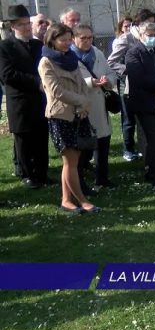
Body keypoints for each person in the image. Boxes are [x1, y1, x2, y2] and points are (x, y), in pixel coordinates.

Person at [38, 23, 100, 214]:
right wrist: (81, 101)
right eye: (62, 40)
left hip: (79, 114)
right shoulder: (46, 62)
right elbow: (56, 91)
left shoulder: (71, 58)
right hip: (61, 115)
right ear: (52, 40)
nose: (67, 43)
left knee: (72, 161)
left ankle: (66, 200)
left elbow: (81, 84)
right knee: (70, 160)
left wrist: (83, 105)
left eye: (68, 39)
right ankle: (82, 200)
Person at [0, 4, 49, 189]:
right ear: (13, 26)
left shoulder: (38, 45)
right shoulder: (5, 47)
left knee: (41, 137)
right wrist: (36, 82)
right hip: (20, 101)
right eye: (22, 24)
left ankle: (42, 173)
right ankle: (27, 174)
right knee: (24, 140)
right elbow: (7, 75)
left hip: (40, 100)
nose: (27, 27)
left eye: (28, 23)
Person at [125, 21, 155, 192]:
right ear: (141, 35)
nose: (152, 38)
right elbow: (138, 77)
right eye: (149, 35)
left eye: (154, 35)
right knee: (152, 140)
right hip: (144, 102)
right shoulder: (134, 52)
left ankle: (153, 170)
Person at [72, 24, 118, 191]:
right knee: (83, 146)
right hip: (81, 106)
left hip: (100, 104)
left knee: (103, 142)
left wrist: (108, 81)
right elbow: (69, 83)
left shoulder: (97, 53)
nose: (87, 41)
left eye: (90, 37)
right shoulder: (69, 56)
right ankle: (81, 184)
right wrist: (91, 82)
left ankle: (102, 178)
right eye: (83, 38)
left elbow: (111, 73)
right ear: (74, 39)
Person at [107, 8, 155, 161]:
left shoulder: (152, 38)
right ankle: (128, 149)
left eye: (153, 23)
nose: (151, 26)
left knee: (145, 118)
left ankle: (144, 149)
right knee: (128, 118)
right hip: (127, 84)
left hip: (145, 84)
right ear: (140, 23)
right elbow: (111, 61)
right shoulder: (127, 38)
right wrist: (129, 70)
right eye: (149, 22)